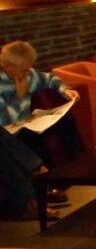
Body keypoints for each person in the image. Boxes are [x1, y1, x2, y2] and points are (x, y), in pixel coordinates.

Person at [0, 40, 84, 214]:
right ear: (6, 66)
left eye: (29, 68)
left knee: (66, 119)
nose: (28, 73)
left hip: (27, 123)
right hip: (10, 130)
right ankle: (41, 184)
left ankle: (79, 166)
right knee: (30, 139)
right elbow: (6, 122)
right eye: (24, 70)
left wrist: (64, 89)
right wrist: (20, 97)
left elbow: (49, 79)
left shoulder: (27, 74)